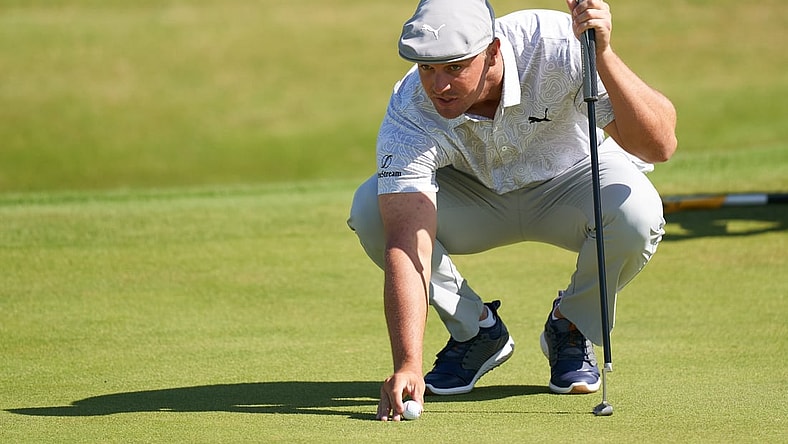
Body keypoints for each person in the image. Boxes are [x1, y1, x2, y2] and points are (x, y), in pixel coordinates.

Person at [347, 0, 676, 421]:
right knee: (372, 209)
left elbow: (660, 145)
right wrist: (407, 362)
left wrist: (603, 55)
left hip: (570, 180)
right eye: (427, 68)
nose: (438, 85)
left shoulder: (559, 44)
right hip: (473, 198)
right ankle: (476, 331)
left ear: (494, 52)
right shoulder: (410, 110)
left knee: (638, 213)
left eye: (454, 67)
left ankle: (572, 324)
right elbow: (406, 244)